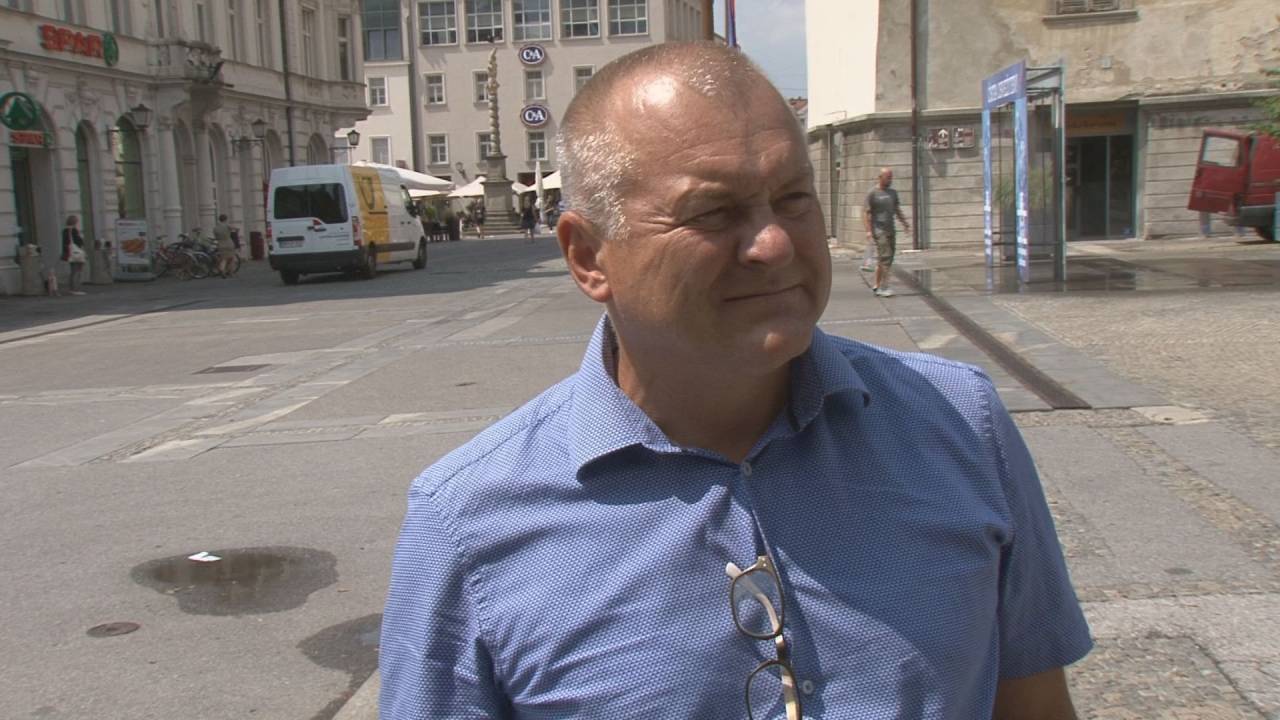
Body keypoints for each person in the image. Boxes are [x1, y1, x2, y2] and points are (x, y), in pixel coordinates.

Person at [380, 43, 1090, 720]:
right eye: (714, 213)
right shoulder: (469, 523)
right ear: (590, 256)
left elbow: (1035, 706)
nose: (774, 244)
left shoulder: (959, 423)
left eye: (793, 197)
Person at [864, 167, 911, 297]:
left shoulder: (893, 193)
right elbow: (866, 213)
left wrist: (905, 223)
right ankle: (884, 287)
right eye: (887, 178)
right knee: (885, 257)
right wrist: (868, 231)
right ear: (880, 178)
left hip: (891, 229)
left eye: (891, 178)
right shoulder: (872, 193)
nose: (890, 180)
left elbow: (897, 209)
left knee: (885, 259)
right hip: (879, 230)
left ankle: (877, 284)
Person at [60, 214, 87, 295]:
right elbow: (79, 241)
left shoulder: (64, 231)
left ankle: (72, 288)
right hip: (76, 253)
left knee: (73, 271)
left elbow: (65, 243)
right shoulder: (74, 230)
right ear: (75, 222)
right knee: (77, 271)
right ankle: (75, 289)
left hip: (69, 253)